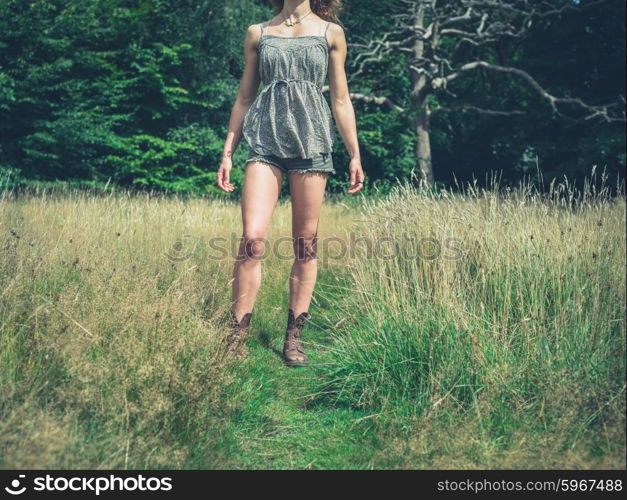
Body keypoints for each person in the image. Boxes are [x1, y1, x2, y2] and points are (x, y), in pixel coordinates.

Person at [217, 0, 364, 366]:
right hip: (264, 143)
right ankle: (236, 334)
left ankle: (294, 336)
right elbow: (244, 98)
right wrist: (228, 152)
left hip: (312, 144)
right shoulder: (259, 33)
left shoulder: (331, 34)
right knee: (251, 238)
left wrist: (354, 154)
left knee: (305, 243)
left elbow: (341, 100)